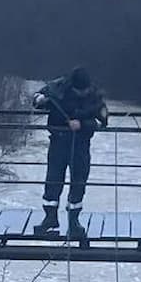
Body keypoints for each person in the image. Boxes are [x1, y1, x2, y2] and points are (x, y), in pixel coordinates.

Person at [32, 67, 109, 240]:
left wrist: (82, 125)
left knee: (79, 182)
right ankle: (50, 218)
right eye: (79, 91)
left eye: (85, 90)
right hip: (58, 141)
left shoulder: (94, 96)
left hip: (81, 144)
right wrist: (41, 99)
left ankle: (74, 222)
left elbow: (102, 121)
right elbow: (36, 99)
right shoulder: (57, 88)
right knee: (53, 180)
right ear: (72, 86)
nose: (83, 93)